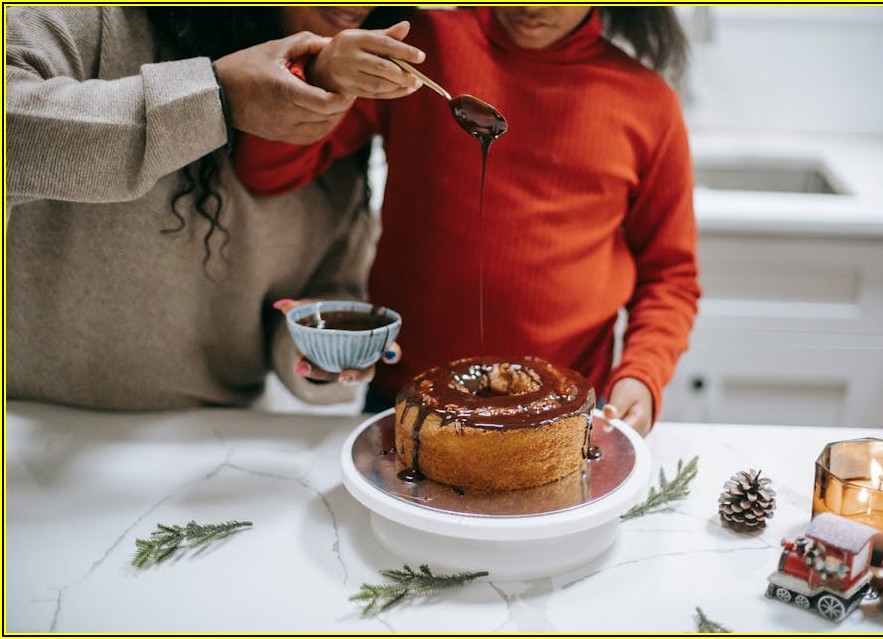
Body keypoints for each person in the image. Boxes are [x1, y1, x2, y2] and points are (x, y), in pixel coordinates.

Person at [235, 7, 701, 436]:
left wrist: (642, 374)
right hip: (404, 401)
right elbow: (268, 170)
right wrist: (322, 73)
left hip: (566, 413)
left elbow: (671, 277)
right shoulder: (423, 47)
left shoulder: (648, 105)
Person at [5, 6, 422, 411]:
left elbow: (327, 284)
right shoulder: (99, 17)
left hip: (213, 447)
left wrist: (322, 348)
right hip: (25, 431)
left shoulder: (336, 102)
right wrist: (217, 96)